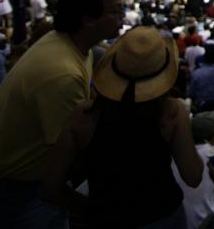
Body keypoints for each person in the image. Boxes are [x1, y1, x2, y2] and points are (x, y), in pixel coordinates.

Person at [0, 0, 125, 229]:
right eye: (115, 11)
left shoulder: (71, 44)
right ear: (88, 20)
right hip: (20, 189)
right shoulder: (62, 73)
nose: (122, 17)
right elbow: (74, 152)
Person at [41, 26, 204, 228]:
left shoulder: (83, 116)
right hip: (163, 216)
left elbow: (50, 187)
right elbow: (193, 176)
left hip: (104, 218)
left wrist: (90, 209)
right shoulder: (171, 113)